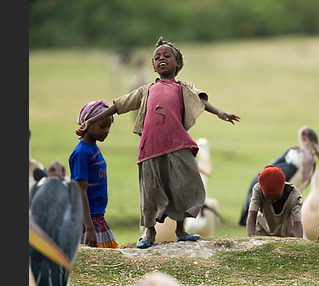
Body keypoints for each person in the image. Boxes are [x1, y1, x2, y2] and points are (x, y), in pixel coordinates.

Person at [75, 36, 240, 248]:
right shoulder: (146, 90)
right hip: (150, 147)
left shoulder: (183, 87)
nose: (161, 59)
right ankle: (149, 233)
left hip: (177, 144)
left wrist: (221, 113)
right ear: (153, 65)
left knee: (186, 183)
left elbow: (202, 100)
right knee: (150, 191)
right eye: (157, 57)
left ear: (178, 63)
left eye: (167, 56)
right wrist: (91, 120)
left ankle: (181, 230)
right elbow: (118, 106)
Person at [69, 100, 118, 248]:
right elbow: (80, 192)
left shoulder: (93, 149)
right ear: (87, 124)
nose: (107, 130)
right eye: (103, 126)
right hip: (87, 222)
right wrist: (89, 228)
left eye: (109, 126)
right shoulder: (82, 153)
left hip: (97, 217)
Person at [246, 164, 304, 238]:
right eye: (267, 197)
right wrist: (251, 237)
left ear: (283, 188)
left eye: (276, 197)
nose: (272, 200)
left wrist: (298, 243)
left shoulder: (294, 195)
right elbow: (252, 213)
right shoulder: (258, 189)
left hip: (287, 236)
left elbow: (297, 222)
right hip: (262, 234)